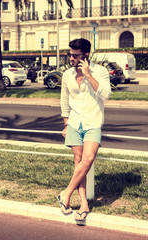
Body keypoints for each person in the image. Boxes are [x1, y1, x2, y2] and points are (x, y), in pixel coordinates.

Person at [58, 38, 111, 225]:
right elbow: (65, 100)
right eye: (70, 54)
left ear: (86, 55)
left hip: (93, 122)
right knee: (79, 163)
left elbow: (105, 94)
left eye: (75, 55)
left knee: (88, 160)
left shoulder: (100, 72)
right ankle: (83, 205)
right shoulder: (67, 75)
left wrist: (88, 75)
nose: (71, 58)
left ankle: (66, 193)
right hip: (74, 123)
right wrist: (66, 124)